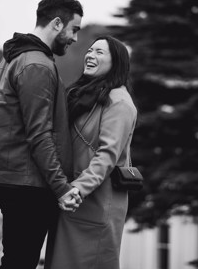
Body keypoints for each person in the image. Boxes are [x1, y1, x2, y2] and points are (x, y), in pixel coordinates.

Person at [0, 0, 84, 269]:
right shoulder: (37, 65)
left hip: (10, 174)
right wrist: (62, 188)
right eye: (73, 29)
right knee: (20, 262)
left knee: (16, 260)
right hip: (26, 182)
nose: (75, 38)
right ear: (56, 24)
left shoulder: (13, 58)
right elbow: (40, 134)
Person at [47, 36, 138, 269]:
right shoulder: (86, 94)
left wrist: (77, 188)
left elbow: (107, 156)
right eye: (90, 50)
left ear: (115, 62)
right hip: (72, 199)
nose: (90, 55)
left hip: (95, 203)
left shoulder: (119, 103)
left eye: (99, 53)